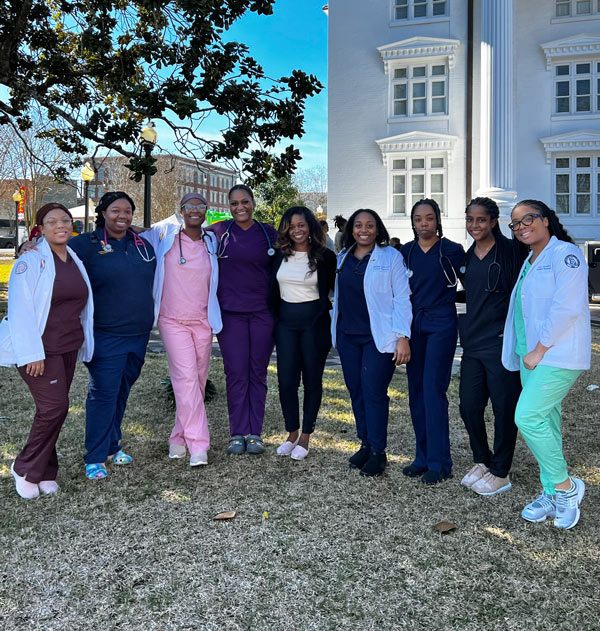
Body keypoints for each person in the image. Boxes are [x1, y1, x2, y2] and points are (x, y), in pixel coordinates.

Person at [502, 199, 590, 529]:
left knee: (527, 416)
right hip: (532, 356)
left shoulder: (565, 254)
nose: (522, 226)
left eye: (529, 219)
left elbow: (566, 307)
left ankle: (567, 488)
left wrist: (538, 350)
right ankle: (551, 491)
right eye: (515, 223)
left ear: (546, 220)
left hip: (556, 354)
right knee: (547, 421)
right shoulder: (531, 258)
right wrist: (528, 352)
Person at [0, 203, 94, 498]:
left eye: (65, 220)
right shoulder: (30, 260)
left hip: (67, 346)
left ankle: (45, 471)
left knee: (55, 409)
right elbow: (20, 311)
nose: (61, 225)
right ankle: (25, 467)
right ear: (40, 228)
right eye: (52, 221)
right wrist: (32, 354)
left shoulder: (73, 257)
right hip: (40, 350)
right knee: (55, 407)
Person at [67, 192, 157, 480]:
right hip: (105, 334)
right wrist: (32, 244)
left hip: (139, 333)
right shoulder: (85, 244)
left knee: (121, 391)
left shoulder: (143, 243)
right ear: (103, 213)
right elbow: (52, 253)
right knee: (103, 394)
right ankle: (94, 456)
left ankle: (113, 445)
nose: (122, 216)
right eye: (115, 210)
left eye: (128, 211)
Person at [141, 193, 221, 466]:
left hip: (203, 321)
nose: (195, 211)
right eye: (190, 207)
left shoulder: (212, 241)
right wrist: (35, 242)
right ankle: (198, 445)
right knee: (186, 378)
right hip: (172, 320)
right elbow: (132, 231)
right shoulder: (165, 235)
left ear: (206, 211)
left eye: (201, 207)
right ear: (181, 211)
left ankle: (178, 438)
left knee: (196, 380)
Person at [331, 209, 412, 477]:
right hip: (348, 337)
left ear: (378, 229)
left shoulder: (391, 257)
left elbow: (402, 298)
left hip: (379, 338)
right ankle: (365, 443)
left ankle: (378, 451)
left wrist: (403, 336)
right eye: (358, 225)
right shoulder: (343, 258)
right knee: (356, 391)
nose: (363, 229)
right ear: (350, 229)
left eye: (369, 225)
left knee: (373, 392)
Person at [458, 197, 527, 495]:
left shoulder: (512, 252)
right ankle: (482, 461)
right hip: (473, 343)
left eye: (481, 220)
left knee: (503, 409)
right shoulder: (468, 255)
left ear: (494, 221)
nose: (475, 226)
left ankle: (501, 471)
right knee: (469, 406)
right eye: (470, 220)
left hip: (502, 342)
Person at [207, 184, 278, 455]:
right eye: (234, 203)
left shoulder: (267, 233)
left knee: (257, 373)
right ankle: (237, 432)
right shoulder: (218, 232)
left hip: (262, 313)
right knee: (236, 372)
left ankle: (255, 433)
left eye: (245, 202)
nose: (240, 207)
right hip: (230, 315)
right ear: (229, 206)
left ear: (253, 203)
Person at [400, 199, 465, 484]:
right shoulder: (405, 252)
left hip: (441, 324)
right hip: (413, 325)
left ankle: (440, 462)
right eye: (418, 219)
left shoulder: (452, 251)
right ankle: (422, 457)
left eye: (428, 218)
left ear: (437, 220)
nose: (423, 223)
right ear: (412, 222)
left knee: (432, 390)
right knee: (415, 391)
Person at [268, 207, 336, 460]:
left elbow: (332, 290)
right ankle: (291, 432)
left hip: (314, 324)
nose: (297, 230)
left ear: (310, 227)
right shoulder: (277, 255)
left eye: (301, 225)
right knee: (286, 381)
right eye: (291, 226)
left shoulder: (326, 256)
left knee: (311, 381)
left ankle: (306, 436)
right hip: (285, 323)